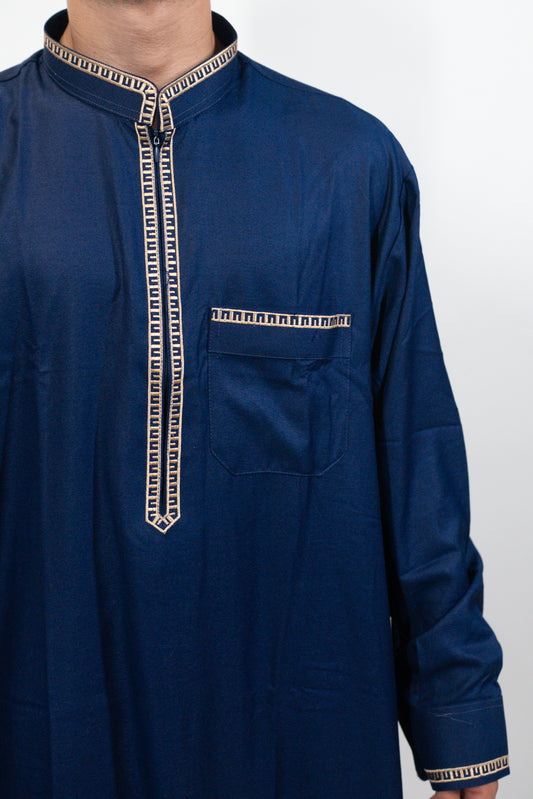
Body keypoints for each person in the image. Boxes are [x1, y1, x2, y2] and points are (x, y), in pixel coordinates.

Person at [0, 1, 510, 797]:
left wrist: (458, 708)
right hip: (40, 718)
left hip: (298, 727)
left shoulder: (347, 162)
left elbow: (416, 449)